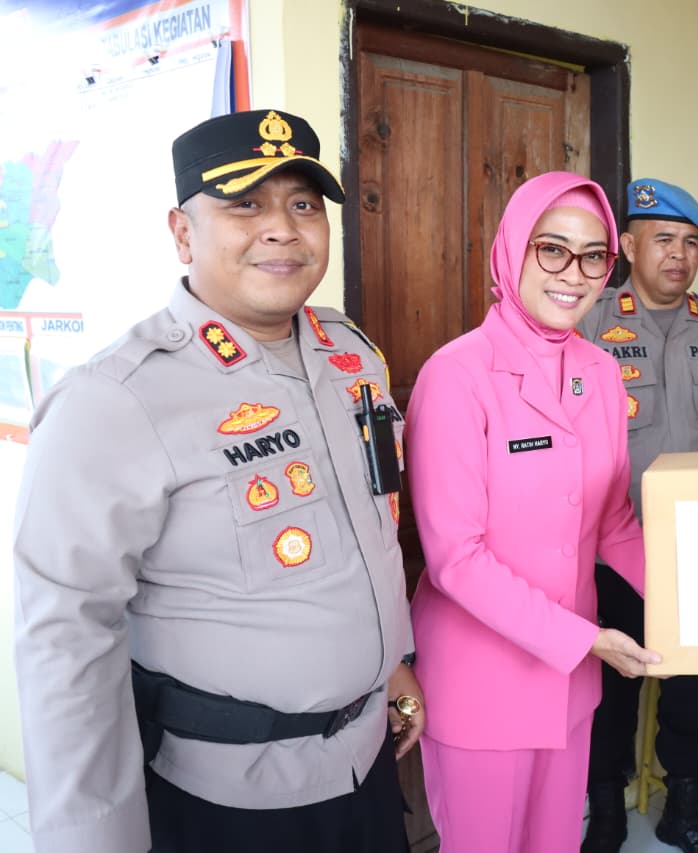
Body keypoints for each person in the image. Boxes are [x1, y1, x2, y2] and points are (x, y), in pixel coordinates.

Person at [13, 109, 423, 853]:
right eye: (245, 204)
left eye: (304, 204)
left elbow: (367, 537)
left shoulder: (351, 353)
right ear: (182, 233)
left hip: (367, 763)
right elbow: (66, 641)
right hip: (227, 803)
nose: (283, 229)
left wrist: (390, 664)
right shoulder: (116, 399)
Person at [404, 170, 661, 853]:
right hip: (480, 680)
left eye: (594, 255)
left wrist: (694, 599)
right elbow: (456, 558)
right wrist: (587, 640)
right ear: (512, 249)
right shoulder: (457, 375)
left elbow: (612, 522)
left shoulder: (601, 372)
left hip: (570, 684)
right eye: (552, 249)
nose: (573, 274)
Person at [578, 178, 698, 853]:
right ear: (628, 247)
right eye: (663, 240)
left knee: (692, 688)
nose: (679, 256)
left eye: (690, 243)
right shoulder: (589, 321)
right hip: (606, 551)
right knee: (608, 687)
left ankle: (683, 808)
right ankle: (606, 812)